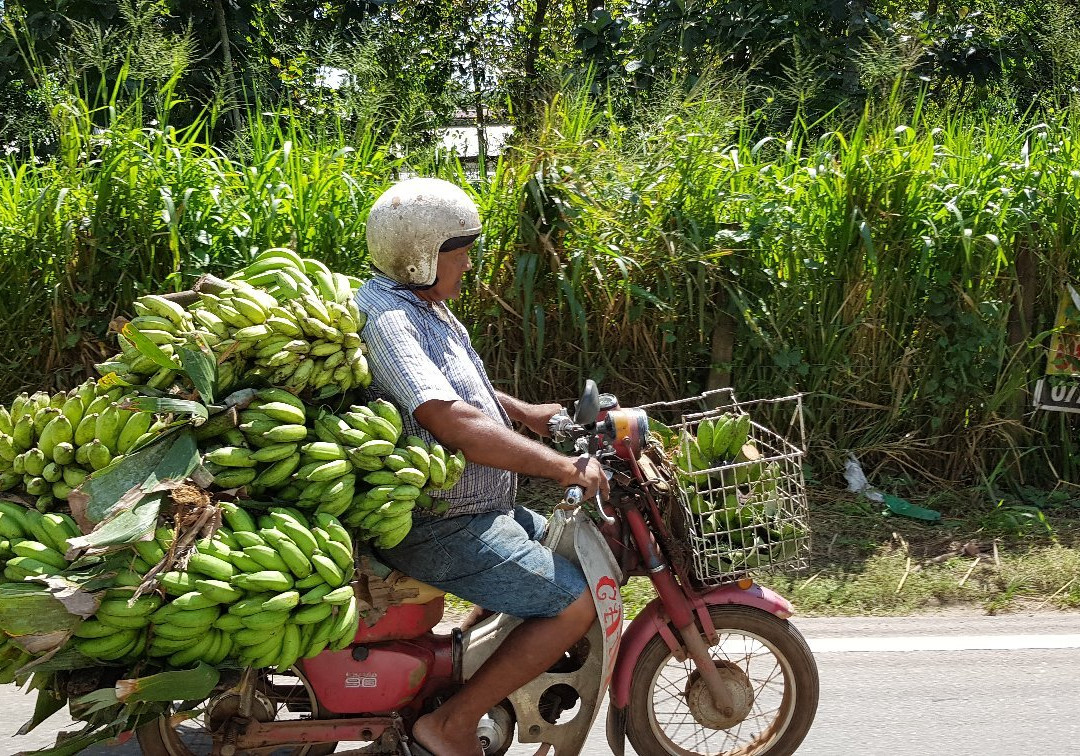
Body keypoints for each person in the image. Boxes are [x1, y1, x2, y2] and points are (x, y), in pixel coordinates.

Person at [354, 177, 609, 756]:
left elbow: (468, 393)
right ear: (422, 257)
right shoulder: (389, 320)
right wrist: (560, 467)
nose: (467, 265)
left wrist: (528, 414)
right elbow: (452, 423)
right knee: (573, 603)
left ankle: (459, 681)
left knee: (565, 550)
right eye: (460, 253)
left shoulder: (424, 307)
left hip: (478, 510)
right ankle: (451, 724)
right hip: (441, 524)